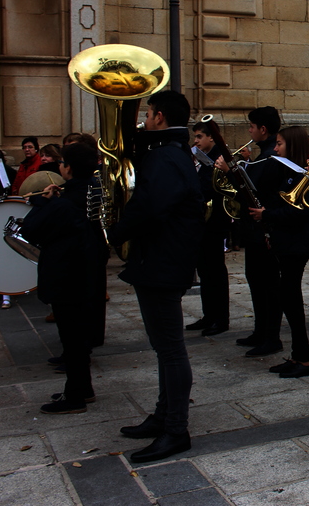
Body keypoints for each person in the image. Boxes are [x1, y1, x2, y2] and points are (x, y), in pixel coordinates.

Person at [109, 91, 205, 463]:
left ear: (160, 117)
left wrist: (110, 235)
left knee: (170, 349)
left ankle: (175, 430)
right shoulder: (167, 152)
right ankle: (164, 415)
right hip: (162, 260)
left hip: (164, 263)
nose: (144, 119)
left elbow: (148, 206)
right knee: (164, 347)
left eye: (147, 114)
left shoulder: (165, 156)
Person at [20, 142, 110, 414]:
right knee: (79, 335)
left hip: (67, 275)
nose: (59, 167)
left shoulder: (66, 202)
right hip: (89, 271)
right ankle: (83, 388)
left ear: (68, 168)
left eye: (62, 163)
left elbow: (31, 230)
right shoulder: (93, 191)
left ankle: (75, 396)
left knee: (71, 336)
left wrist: (44, 201)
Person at [254, 125, 309, 378]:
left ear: (291, 146)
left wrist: (267, 215)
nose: (275, 147)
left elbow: (299, 213)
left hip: (298, 242)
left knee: (291, 298)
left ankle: (304, 359)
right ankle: (298, 354)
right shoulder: (288, 171)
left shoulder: (304, 174)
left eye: (280, 143)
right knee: (288, 297)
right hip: (288, 240)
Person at [219, 106, 283, 355]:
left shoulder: (270, 157)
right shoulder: (262, 155)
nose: (249, 130)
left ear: (262, 129)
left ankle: (271, 336)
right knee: (256, 281)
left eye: (252, 126)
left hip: (264, 229)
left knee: (267, 284)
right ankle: (261, 331)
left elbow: (251, 187)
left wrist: (230, 171)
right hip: (255, 230)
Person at [185, 119, 232, 336]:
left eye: (199, 137)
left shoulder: (219, 158)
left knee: (215, 271)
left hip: (215, 221)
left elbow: (214, 188)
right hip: (202, 222)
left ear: (211, 137)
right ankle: (208, 315)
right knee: (204, 270)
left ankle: (220, 318)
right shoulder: (201, 158)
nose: (196, 141)